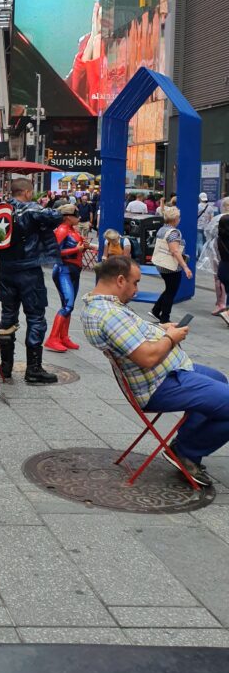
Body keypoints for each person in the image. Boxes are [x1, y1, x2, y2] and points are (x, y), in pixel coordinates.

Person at [81, 255, 229, 487]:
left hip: (169, 373)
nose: (137, 290)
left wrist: (160, 328)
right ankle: (187, 451)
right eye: (135, 282)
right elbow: (147, 357)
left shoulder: (103, 305)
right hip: (159, 383)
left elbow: (134, 332)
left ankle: (184, 446)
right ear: (120, 280)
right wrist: (171, 337)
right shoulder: (109, 315)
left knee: (219, 379)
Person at [0, 177, 64, 384]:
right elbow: (55, 217)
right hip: (28, 271)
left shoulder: (0, 209)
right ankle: (33, 369)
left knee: (7, 316)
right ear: (25, 192)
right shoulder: (31, 210)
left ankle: (5, 366)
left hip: (5, 271)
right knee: (35, 317)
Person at [45, 204, 87, 353]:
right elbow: (53, 251)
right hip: (64, 270)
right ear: (68, 217)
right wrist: (77, 249)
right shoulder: (63, 230)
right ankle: (53, 338)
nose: (79, 218)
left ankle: (63, 337)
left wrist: (82, 246)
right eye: (76, 215)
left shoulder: (71, 230)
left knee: (68, 305)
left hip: (72, 270)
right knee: (67, 305)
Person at [150, 205, 192, 323]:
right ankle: (165, 318)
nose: (179, 220)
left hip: (161, 264)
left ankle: (156, 310)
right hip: (171, 266)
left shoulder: (162, 229)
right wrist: (185, 267)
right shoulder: (173, 233)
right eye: (178, 217)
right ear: (175, 219)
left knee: (169, 288)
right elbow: (175, 251)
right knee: (171, 291)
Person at [198, 197, 229, 317]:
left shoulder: (219, 218)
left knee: (218, 278)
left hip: (217, 250)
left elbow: (208, 231)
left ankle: (220, 303)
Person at [196, 192, 216, 258]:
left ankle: (201, 256)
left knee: (199, 242)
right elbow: (211, 218)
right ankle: (205, 256)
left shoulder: (197, 206)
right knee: (205, 242)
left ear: (200, 198)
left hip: (198, 226)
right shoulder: (210, 207)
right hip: (207, 227)